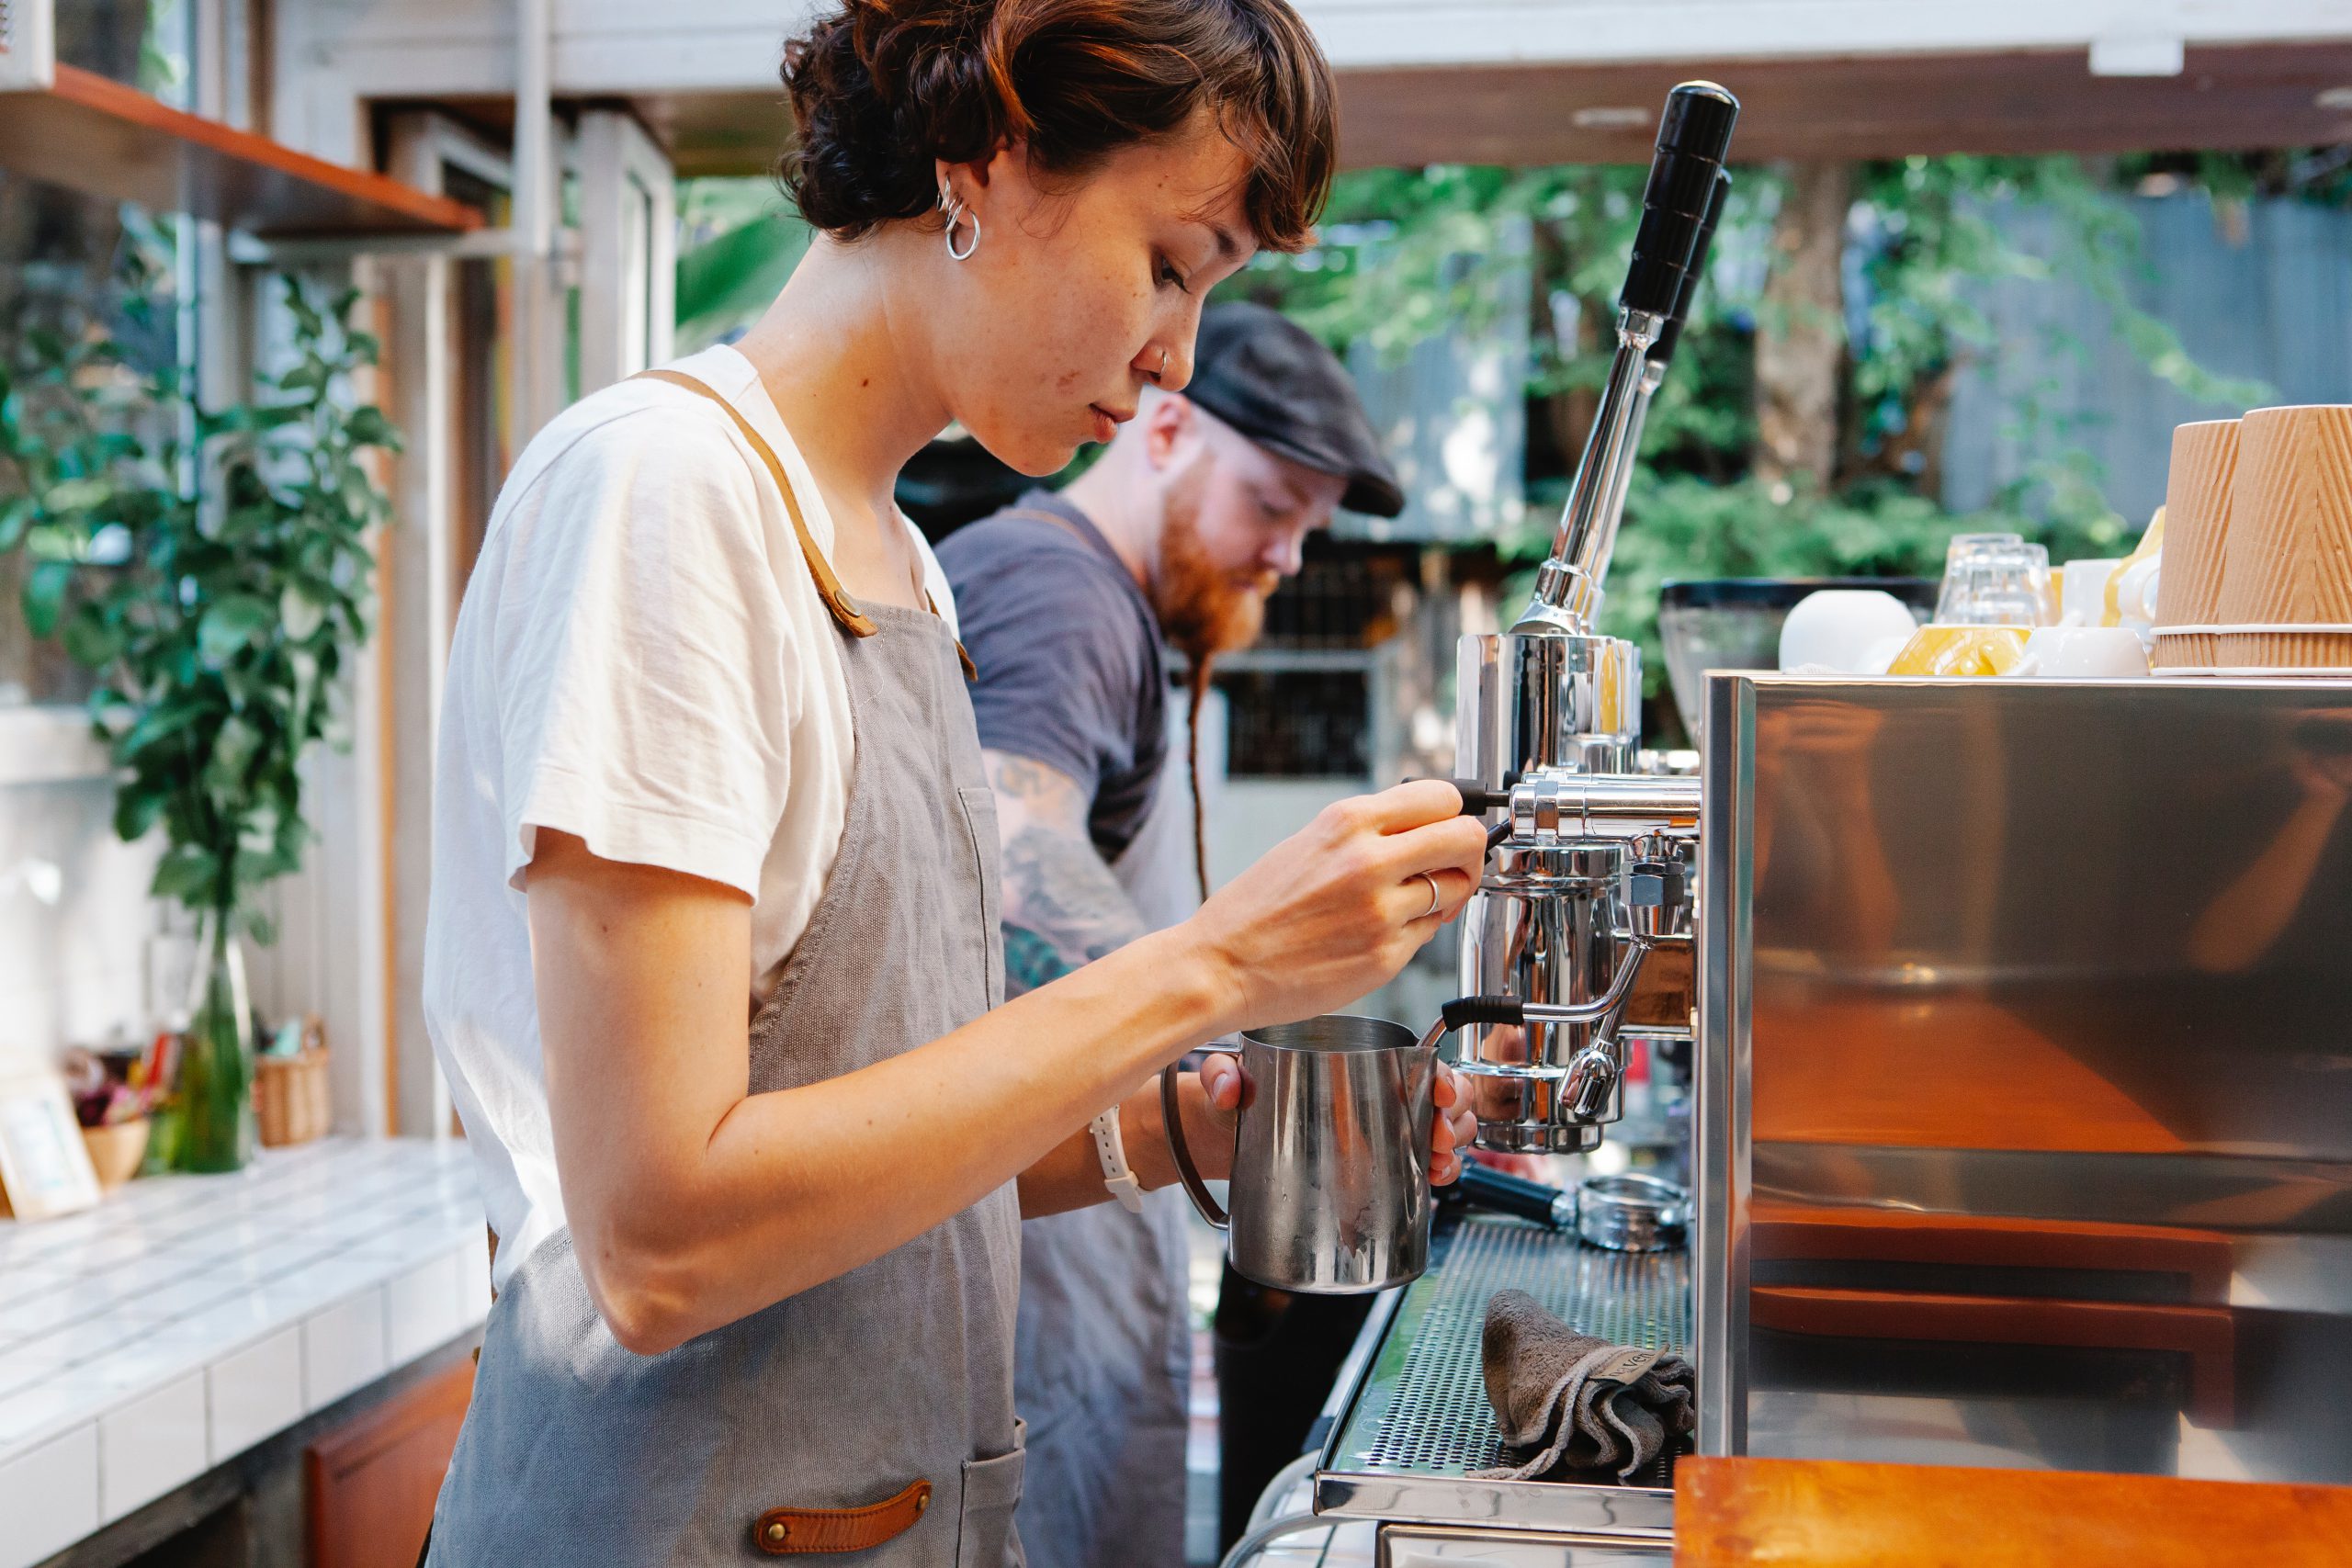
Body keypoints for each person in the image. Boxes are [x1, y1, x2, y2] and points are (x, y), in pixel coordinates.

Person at [416, 3, 1490, 1565]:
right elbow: (659, 1239)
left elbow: (874, 1132)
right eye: (1173, 262)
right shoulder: (664, 492)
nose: (1176, 354)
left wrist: (1200, 1130)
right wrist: (1221, 962)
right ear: (984, 159)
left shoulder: (902, 562)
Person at [937, 300, 1404, 1568]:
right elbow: (1007, 859)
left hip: (1081, 1230)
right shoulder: (1055, 589)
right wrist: (1259, 1047)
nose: (1290, 555)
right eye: (1272, 504)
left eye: (1308, 525)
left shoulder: (1126, 609)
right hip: (1030, 1251)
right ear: (1163, 429)